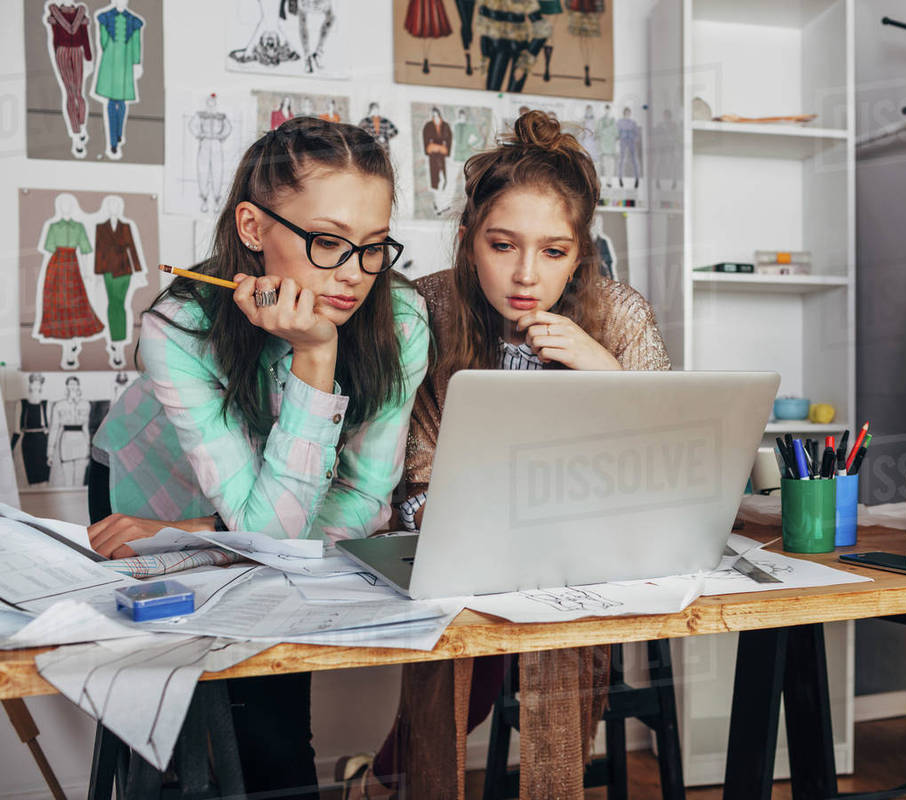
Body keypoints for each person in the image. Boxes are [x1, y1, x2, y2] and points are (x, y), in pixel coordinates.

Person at [88, 116, 429, 800]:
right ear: (252, 227)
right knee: (169, 736)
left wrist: (316, 353)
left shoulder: (402, 321)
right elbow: (273, 534)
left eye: (372, 248)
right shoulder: (177, 328)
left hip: (240, 526)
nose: (354, 275)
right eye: (327, 242)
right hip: (148, 501)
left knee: (270, 726)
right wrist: (220, 533)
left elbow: (359, 509)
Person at [339, 109, 669, 799]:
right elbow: (409, 476)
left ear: (581, 252)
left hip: (582, 556)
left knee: (564, 653)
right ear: (467, 242)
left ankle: (379, 785)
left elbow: (667, 464)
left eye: (554, 251)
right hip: (455, 549)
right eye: (501, 245)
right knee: (473, 665)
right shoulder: (423, 308)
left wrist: (604, 371)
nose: (527, 275)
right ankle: (386, 784)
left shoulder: (618, 315)